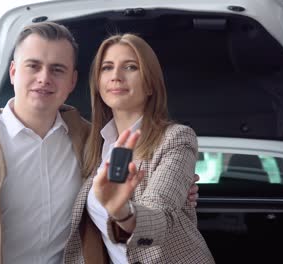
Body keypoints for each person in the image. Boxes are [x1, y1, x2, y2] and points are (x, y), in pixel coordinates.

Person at [0, 22, 200, 264]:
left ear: (72, 81)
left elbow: (159, 211)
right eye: (33, 65)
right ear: (13, 72)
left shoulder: (86, 139)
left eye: (57, 69)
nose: (44, 78)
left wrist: (128, 210)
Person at [63, 34, 214, 263]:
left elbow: (161, 215)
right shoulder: (93, 144)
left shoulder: (176, 139)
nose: (116, 76)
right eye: (107, 67)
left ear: (151, 84)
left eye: (130, 67)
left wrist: (122, 212)